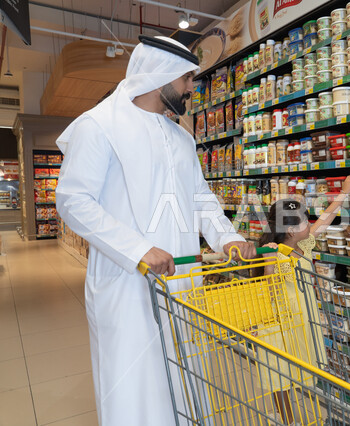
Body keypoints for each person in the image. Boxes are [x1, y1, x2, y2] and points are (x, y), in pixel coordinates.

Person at [55, 35, 255, 425]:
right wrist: (138, 249)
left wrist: (227, 236)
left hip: (182, 283)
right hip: (125, 285)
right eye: (186, 78)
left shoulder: (181, 138)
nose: (191, 88)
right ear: (160, 74)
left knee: (185, 379)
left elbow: (200, 198)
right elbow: (73, 201)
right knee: (134, 388)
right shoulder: (100, 126)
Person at [258, 176, 350, 425]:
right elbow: (266, 286)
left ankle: (287, 416)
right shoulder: (273, 253)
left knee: (298, 368)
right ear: (290, 230)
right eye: (304, 221)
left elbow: (326, 218)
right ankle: (288, 420)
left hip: (302, 318)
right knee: (280, 375)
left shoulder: (304, 244)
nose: (309, 224)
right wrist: (269, 254)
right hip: (278, 321)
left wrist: (344, 192)